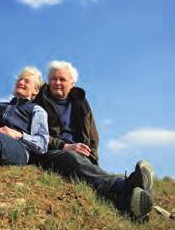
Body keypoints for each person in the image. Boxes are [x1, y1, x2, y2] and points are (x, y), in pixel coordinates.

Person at [32, 60, 154, 221]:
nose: (57, 83)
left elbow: (92, 134)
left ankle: (133, 203)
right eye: (53, 79)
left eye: (62, 79)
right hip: (52, 153)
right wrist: (65, 145)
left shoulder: (80, 101)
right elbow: (34, 135)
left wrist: (92, 156)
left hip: (79, 154)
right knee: (72, 158)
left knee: (90, 173)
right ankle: (126, 186)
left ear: (72, 83)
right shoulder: (38, 102)